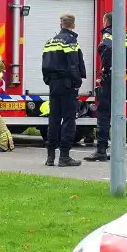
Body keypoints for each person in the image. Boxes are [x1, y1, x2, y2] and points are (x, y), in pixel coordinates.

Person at [86, 14, 127, 162]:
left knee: (103, 113)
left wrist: (106, 68)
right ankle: (118, 148)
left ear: (106, 21)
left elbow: (106, 47)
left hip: (109, 78)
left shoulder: (109, 33)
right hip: (121, 78)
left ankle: (101, 149)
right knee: (119, 113)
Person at [41, 13, 87, 167]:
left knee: (53, 119)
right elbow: (73, 64)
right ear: (73, 25)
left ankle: (50, 157)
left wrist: (49, 81)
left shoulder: (50, 41)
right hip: (67, 84)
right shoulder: (71, 41)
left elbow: (44, 64)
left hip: (53, 84)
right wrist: (77, 82)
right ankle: (64, 157)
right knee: (69, 120)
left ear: (61, 24)